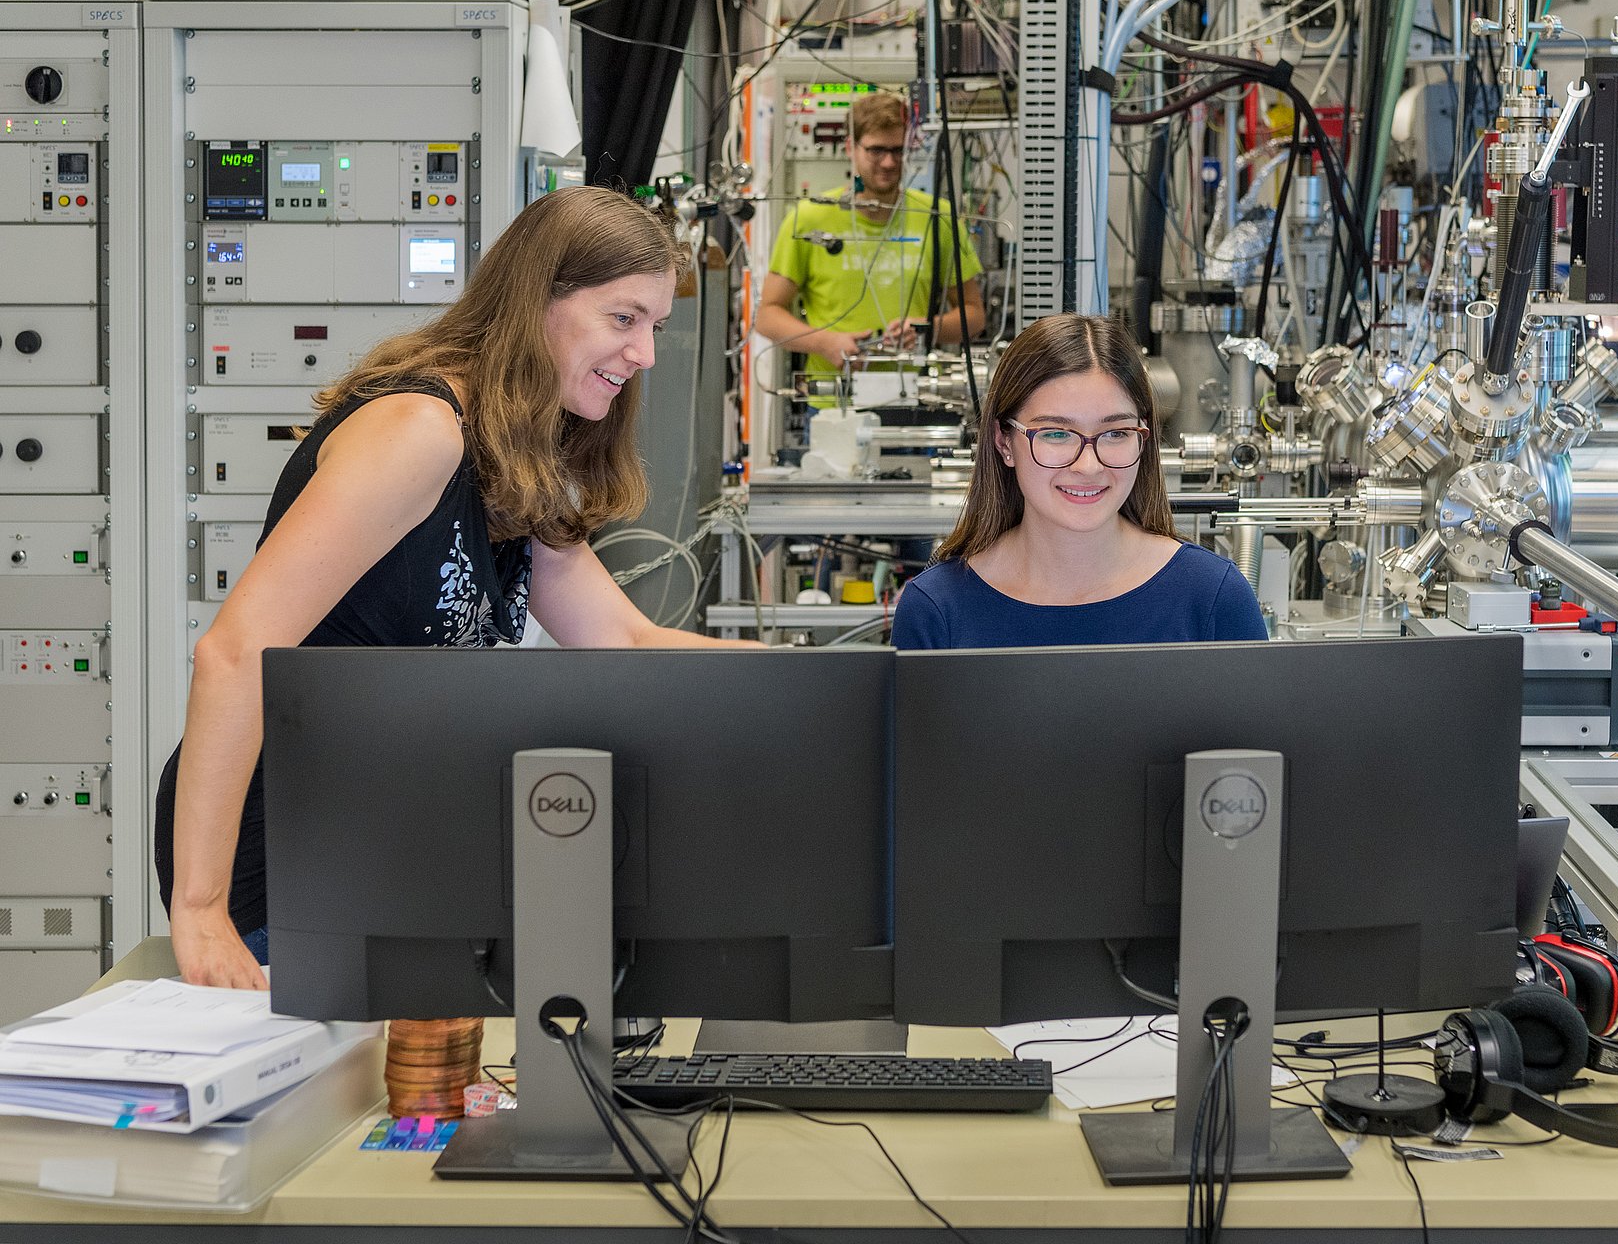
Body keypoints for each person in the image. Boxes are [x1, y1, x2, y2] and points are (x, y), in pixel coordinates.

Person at [157, 185, 753, 990]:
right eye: (624, 319)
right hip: (284, 846)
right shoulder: (419, 431)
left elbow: (623, 640)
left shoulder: (516, 452)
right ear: (539, 300)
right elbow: (233, 655)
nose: (645, 354)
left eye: (655, 326)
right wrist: (201, 912)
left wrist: (807, 680)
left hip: (378, 837)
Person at [890, 313, 1267, 649]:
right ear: (1004, 442)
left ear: (1143, 436)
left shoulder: (1212, 596)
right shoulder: (938, 608)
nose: (1088, 465)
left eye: (1116, 432)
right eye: (1056, 433)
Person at [755, 90, 988, 375]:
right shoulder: (809, 218)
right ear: (850, 147)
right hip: (834, 400)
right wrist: (826, 342)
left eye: (898, 150)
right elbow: (767, 316)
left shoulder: (938, 218)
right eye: (876, 150)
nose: (889, 163)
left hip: (917, 398)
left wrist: (925, 329)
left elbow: (974, 315)